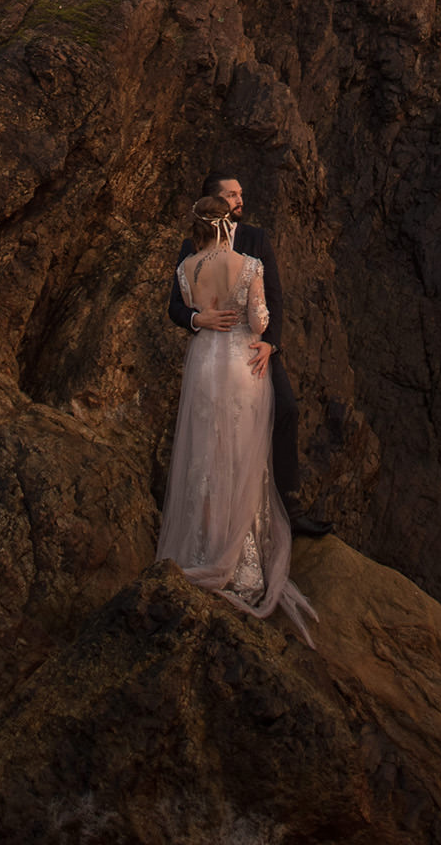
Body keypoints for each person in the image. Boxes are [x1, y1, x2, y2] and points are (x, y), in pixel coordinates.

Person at [155, 194, 315, 642]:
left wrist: (203, 318)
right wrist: (255, 314)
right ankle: (241, 568)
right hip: (241, 365)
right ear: (226, 224)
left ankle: (200, 549)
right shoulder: (248, 264)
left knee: (205, 456)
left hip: (203, 364)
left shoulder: (185, 269)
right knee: (243, 459)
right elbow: (260, 322)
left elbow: (188, 312)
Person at [166, 173, 331, 539]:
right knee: (218, 433)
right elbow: (175, 306)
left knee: (285, 408)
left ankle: (290, 507)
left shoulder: (256, 238)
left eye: (241, 193)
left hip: (256, 348)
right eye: (231, 195)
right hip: (213, 348)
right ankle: (225, 523)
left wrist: (271, 344)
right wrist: (198, 318)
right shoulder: (188, 247)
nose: (240, 200)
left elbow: (274, 293)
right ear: (215, 202)